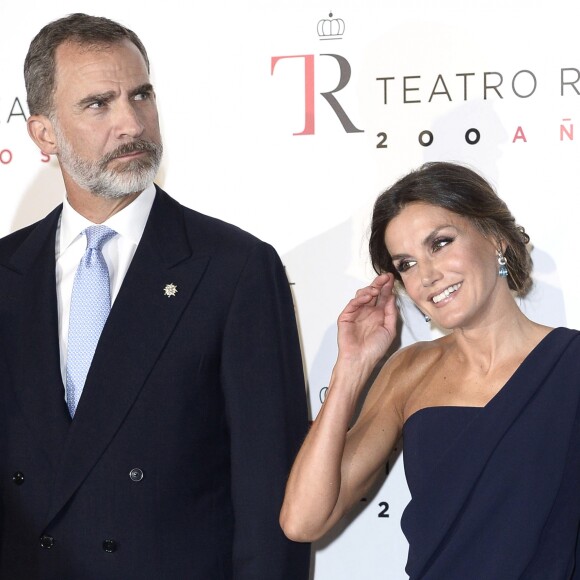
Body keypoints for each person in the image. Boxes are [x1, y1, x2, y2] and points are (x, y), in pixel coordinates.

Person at [0, 13, 311, 579]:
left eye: (141, 95)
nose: (131, 123)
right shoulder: (3, 272)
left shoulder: (235, 269)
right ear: (44, 133)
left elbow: (273, 497)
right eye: (98, 104)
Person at [280, 161, 580, 579]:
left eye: (439, 243)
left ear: (494, 237)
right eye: (406, 264)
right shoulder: (409, 371)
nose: (428, 276)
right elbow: (302, 521)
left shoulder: (571, 363)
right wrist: (351, 367)